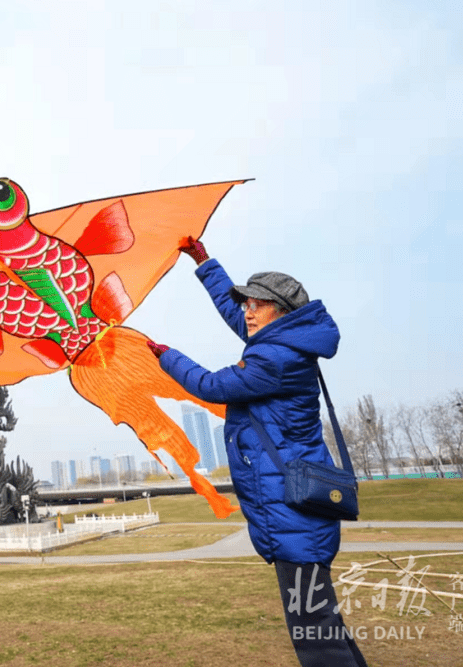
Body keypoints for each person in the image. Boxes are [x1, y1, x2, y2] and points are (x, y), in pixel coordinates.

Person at [146, 237, 368, 667]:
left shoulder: (274, 359)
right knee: (323, 624)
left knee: (315, 635)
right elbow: (237, 317)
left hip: (294, 516)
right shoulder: (287, 343)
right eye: (246, 302)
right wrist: (205, 263)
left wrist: (166, 356)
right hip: (297, 511)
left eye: (257, 304)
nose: (247, 310)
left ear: (280, 313)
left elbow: (210, 386)